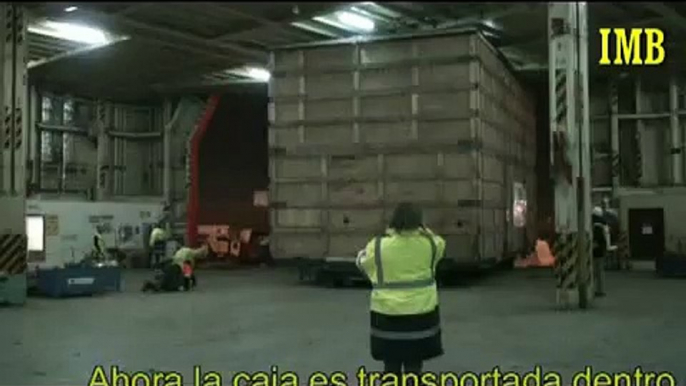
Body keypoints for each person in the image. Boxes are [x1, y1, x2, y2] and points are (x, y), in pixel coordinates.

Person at [356, 202, 446, 378]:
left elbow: (361, 262)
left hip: (387, 314)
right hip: (421, 313)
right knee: (415, 363)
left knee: (391, 363)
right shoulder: (431, 244)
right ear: (420, 222)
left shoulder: (379, 245)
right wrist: (425, 230)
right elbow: (439, 243)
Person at [141, 242, 208, 293]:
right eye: (201, 255)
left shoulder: (184, 251)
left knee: (162, 285)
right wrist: (188, 285)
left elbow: (188, 272)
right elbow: (187, 273)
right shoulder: (189, 255)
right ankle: (149, 284)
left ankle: (149, 284)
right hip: (175, 269)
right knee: (164, 287)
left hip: (171, 267)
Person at [592, 207, 608, 297]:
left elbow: (596, 241)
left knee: (595, 272)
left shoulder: (596, 226)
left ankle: (598, 290)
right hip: (601, 251)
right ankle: (600, 290)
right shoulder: (603, 225)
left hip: (596, 252)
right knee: (600, 272)